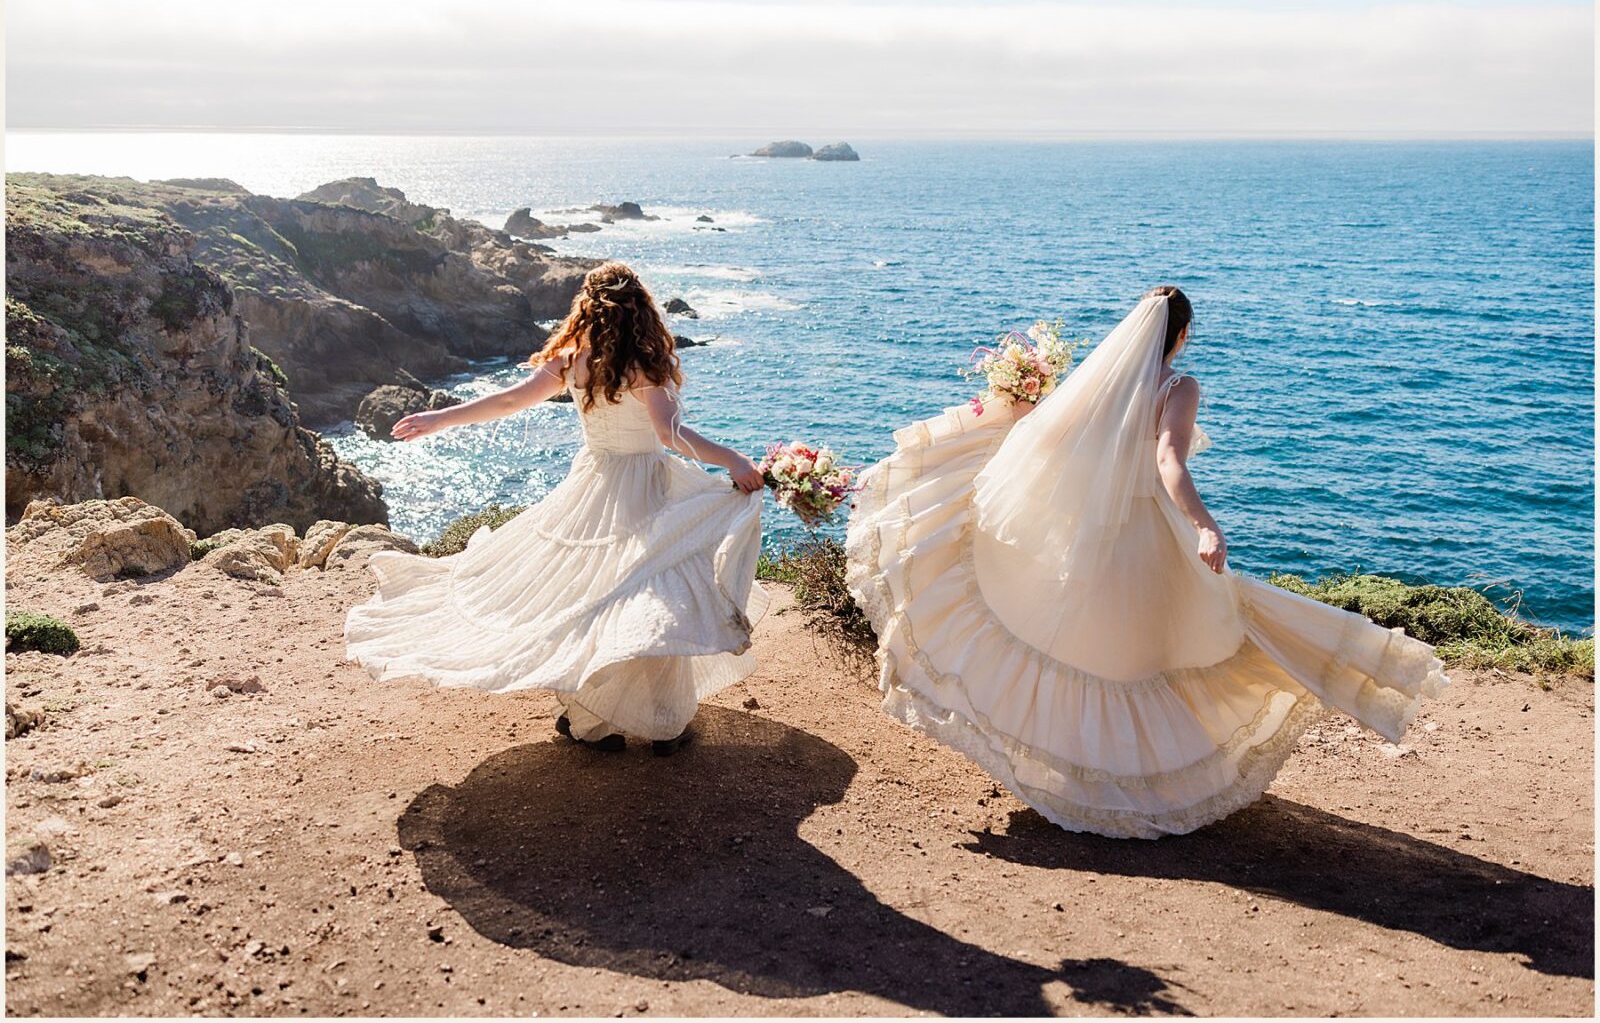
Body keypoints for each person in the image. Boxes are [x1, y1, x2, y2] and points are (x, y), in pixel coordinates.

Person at [845, 287, 1448, 837]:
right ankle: (1133, 782)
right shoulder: (1177, 388)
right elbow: (1169, 464)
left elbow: (1046, 443)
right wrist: (1205, 526)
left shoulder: (1099, 390)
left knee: (1089, 648)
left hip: (1089, 541)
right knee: (1177, 644)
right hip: (1147, 539)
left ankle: (1082, 775)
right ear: (1181, 336)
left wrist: (1011, 406)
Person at [345, 262, 766, 756]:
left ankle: (596, 719)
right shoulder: (647, 364)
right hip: (645, 487)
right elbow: (669, 435)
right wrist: (734, 460)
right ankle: (661, 721)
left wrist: (440, 418)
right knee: (655, 593)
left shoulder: (571, 359)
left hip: (593, 488)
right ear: (644, 309)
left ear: (587, 306)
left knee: (592, 597)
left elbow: (507, 402)